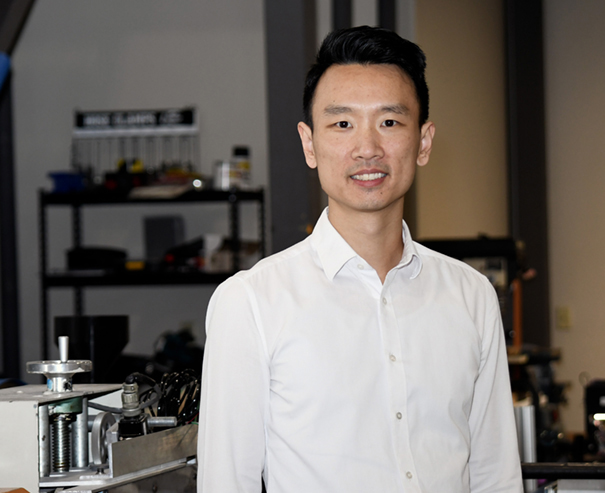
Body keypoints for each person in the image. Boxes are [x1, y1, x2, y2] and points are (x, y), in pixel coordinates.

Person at [197, 26, 523, 492]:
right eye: (342, 124)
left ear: (424, 141)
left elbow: (495, 475)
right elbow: (227, 482)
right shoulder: (251, 303)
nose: (368, 148)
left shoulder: (471, 296)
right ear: (310, 144)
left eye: (390, 122)